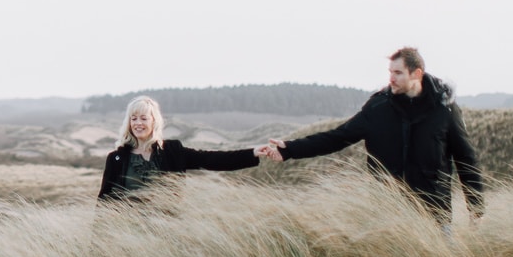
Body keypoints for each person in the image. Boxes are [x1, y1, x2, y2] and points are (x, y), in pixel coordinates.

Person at [263, 47, 484, 225]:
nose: (391, 79)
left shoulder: (444, 110)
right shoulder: (378, 108)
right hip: (387, 215)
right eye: (390, 73)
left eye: (398, 73)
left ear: (417, 73)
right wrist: (290, 149)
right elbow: (337, 137)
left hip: (435, 215)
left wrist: (476, 207)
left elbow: (466, 159)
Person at [98, 95, 271, 202]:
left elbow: (212, 160)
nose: (138, 123)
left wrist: (252, 153)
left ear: (154, 121)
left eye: (143, 118)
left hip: (164, 232)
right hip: (126, 234)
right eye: (133, 118)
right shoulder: (116, 158)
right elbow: (105, 201)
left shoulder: (172, 151)